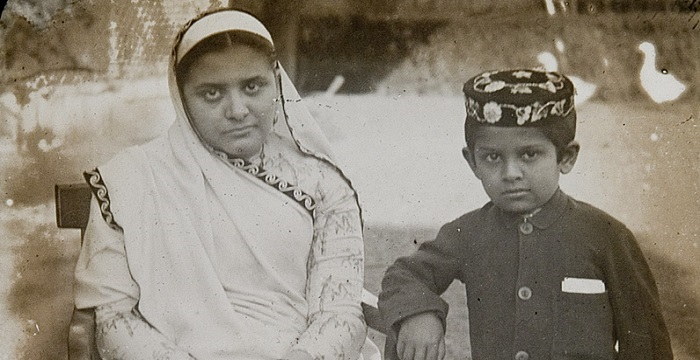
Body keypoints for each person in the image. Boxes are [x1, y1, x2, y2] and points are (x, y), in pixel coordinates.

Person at [74, 10, 368, 360]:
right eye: (212, 94)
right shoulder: (133, 179)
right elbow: (113, 318)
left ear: (276, 82)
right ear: (181, 98)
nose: (238, 110)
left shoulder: (322, 185)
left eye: (252, 86)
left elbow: (339, 312)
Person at [378, 69, 673, 360]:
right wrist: (418, 314)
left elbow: (647, 342)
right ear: (473, 163)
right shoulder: (468, 233)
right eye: (492, 157)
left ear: (566, 157)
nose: (510, 174)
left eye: (529, 154)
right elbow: (405, 275)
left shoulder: (606, 235)